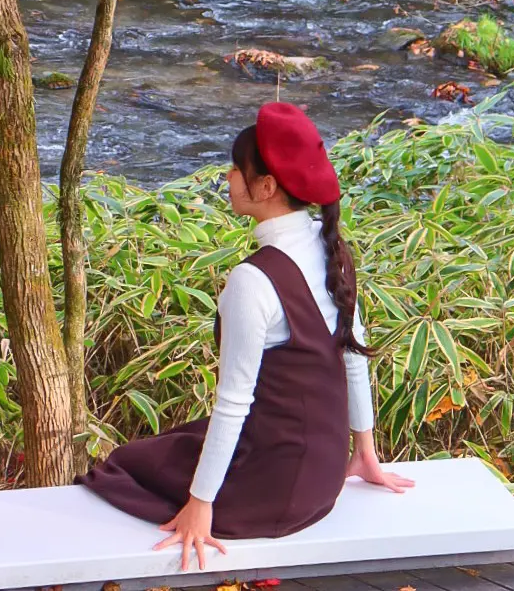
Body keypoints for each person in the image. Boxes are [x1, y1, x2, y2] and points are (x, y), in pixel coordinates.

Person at [78, 101, 412, 569]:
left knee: (126, 464)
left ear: (267, 186)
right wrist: (365, 453)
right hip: (322, 477)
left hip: (271, 490)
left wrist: (201, 506)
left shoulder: (253, 280)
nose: (228, 177)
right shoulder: (329, 244)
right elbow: (353, 355)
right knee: (175, 444)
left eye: (237, 169)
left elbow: (234, 402)